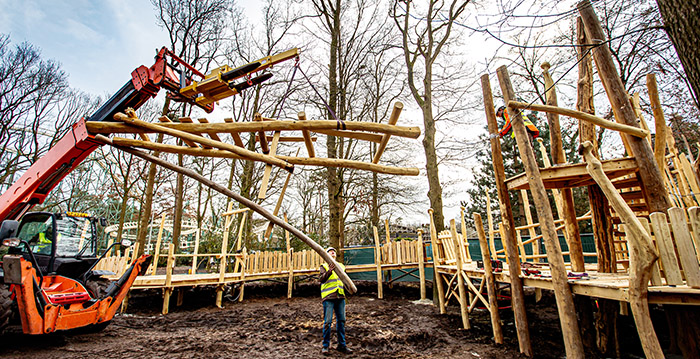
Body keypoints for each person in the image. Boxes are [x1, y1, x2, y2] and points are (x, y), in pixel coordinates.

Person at [319, 247, 352, 355]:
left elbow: (344, 280)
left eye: (334, 251)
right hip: (328, 297)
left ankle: (342, 345)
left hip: (340, 297)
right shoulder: (323, 266)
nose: (332, 252)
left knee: (341, 321)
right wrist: (329, 271)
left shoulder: (341, 266)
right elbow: (321, 279)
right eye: (330, 251)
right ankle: (325, 346)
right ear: (326, 254)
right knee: (328, 322)